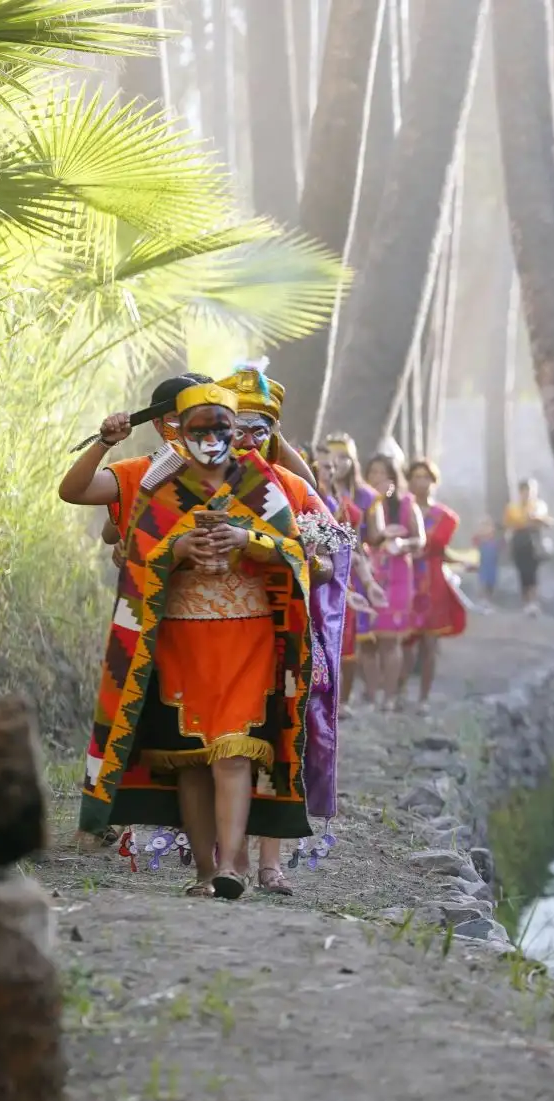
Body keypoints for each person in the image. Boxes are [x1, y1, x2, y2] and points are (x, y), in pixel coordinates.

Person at [61, 375, 329, 899]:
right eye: (200, 427)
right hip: (178, 639)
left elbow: (302, 554)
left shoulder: (263, 483)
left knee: (233, 753)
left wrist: (248, 540)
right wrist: (176, 549)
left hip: (248, 636)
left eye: (222, 427)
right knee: (190, 761)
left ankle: (232, 865)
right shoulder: (158, 480)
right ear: (176, 429)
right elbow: (133, 551)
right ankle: (204, 873)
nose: (212, 437)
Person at [219, 370, 352, 896]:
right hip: (221, 629)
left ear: (274, 433)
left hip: (285, 633)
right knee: (225, 745)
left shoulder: (293, 489)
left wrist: (307, 561)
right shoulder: (202, 483)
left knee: (280, 746)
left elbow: (331, 547)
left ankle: (269, 864)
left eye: (260, 428)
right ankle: (224, 859)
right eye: (239, 427)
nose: (248, 439)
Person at [321, 433, 386, 711]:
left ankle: (359, 698)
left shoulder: (365, 497)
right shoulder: (314, 493)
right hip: (323, 568)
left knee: (357, 637)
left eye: (345, 457)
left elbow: (367, 539)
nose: (338, 464)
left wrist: (369, 578)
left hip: (354, 567)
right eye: (333, 459)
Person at [362, 453, 425, 709]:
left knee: (390, 637)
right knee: (366, 638)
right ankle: (370, 693)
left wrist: (403, 544)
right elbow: (366, 536)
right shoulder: (364, 503)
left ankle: (389, 697)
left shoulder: (408, 504)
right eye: (373, 472)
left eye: (383, 473)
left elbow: (420, 539)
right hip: (368, 571)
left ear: (393, 476)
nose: (377, 478)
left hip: (398, 574)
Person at [407, 458, 469, 714]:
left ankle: (423, 698)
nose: (421, 482)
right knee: (403, 640)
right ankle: (397, 692)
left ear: (434, 482)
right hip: (405, 579)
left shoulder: (445, 517)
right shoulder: (399, 508)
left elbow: (436, 545)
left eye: (426, 477)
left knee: (430, 643)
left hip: (432, 582)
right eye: (416, 476)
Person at [504, 478, 553, 614]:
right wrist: (529, 521)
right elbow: (512, 524)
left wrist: (534, 520)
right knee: (522, 572)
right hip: (519, 540)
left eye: (531, 491)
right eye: (525, 491)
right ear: (520, 492)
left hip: (534, 540)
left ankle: (533, 601)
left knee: (533, 572)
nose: (528, 494)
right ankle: (526, 602)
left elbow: (543, 520)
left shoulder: (539, 505)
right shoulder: (513, 507)